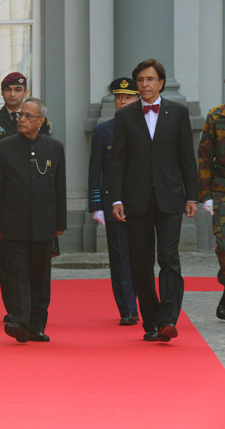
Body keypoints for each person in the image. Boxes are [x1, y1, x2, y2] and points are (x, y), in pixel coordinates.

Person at [110, 58, 199, 342]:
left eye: (150, 79)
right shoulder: (125, 117)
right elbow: (118, 163)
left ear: (161, 82)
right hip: (136, 200)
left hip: (170, 198)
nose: (145, 84)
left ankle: (169, 319)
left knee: (170, 258)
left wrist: (192, 196)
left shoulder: (179, 113)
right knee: (141, 262)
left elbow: (187, 157)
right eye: (140, 80)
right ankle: (151, 322)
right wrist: (116, 200)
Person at [0, 72, 51, 323]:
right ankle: (14, 308)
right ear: (3, 92)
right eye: (9, 90)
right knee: (7, 254)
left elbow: (47, 155)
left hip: (34, 191)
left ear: (25, 92)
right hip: (3, 192)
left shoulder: (40, 118)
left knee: (36, 254)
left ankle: (31, 307)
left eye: (18, 89)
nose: (13, 94)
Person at [0, 97, 66, 343]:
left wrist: (60, 223)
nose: (22, 120)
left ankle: (37, 325)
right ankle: (19, 321)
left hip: (44, 223)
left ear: (41, 121)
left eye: (28, 116)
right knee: (17, 272)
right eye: (21, 115)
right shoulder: (5, 146)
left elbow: (59, 188)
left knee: (40, 276)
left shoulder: (54, 148)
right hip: (13, 222)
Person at [88, 77, 139, 326]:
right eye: (118, 97)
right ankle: (128, 309)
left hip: (141, 204)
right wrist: (97, 205)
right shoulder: (103, 130)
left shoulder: (147, 128)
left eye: (127, 97)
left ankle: (146, 303)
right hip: (113, 205)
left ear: (138, 99)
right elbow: (94, 171)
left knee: (141, 257)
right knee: (120, 258)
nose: (122, 101)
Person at [197, 103, 225, 320]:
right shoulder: (217, 116)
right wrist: (205, 194)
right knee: (223, 244)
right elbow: (205, 155)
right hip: (222, 189)